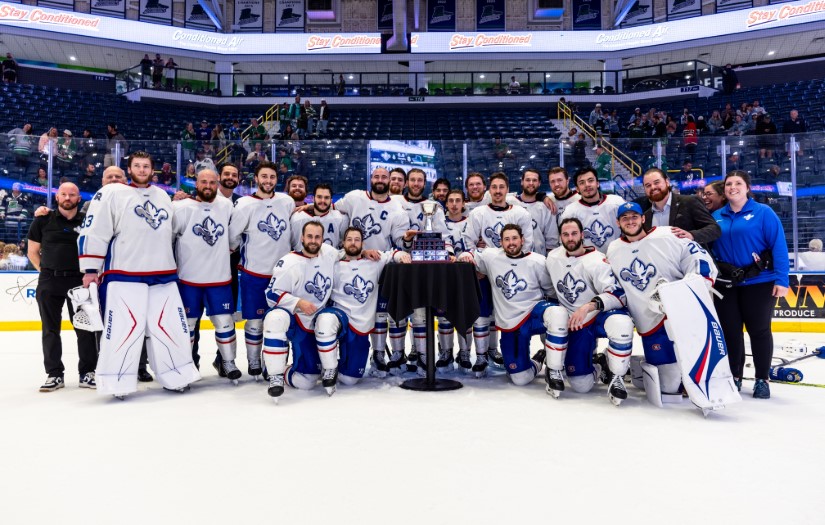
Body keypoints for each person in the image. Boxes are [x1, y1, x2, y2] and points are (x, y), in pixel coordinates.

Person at [78, 151, 200, 398]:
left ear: (152, 170)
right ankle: (117, 382)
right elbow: (95, 229)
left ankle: (176, 375)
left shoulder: (162, 196)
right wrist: (91, 269)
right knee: (124, 329)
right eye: (137, 166)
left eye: (146, 166)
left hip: (163, 273)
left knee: (171, 327)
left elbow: (173, 230)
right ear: (129, 168)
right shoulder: (112, 192)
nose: (142, 170)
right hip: (125, 272)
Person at [607, 202, 716, 404]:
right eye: (625, 218)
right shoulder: (613, 250)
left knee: (697, 369)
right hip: (649, 323)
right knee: (668, 389)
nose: (630, 221)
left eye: (634, 217)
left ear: (643, 219)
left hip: (679, 315)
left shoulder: (668, 235)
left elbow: (699, 258)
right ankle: (641, 365)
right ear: (618, 223)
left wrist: (689, 286)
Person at [711, 170, 789, 399]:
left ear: (747, 187)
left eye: (738, 183)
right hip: (727, 284)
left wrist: (782, 279)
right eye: (728, 184)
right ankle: (735, 376)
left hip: (759, 282)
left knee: (759, 330)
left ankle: (762, 379)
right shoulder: (716, 216)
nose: (732, 187)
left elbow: (779, 246)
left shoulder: (763, 213)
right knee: (731, 332)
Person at [544, 218, 633, 403]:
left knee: (621, 323)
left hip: (596, 315)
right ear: (560, 237)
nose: (570, 238)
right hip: (573, 323)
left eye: (574, 233)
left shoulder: (597, 260)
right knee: (581, 385)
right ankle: (599, 364)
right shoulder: (553, 257)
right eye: (566, 234)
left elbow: (618, 295)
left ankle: (617, 377)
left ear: (582, 235)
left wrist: (588, 306)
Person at [315, 227, 411, 395]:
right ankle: (328, 368)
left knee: (349, 379)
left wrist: (401, 255)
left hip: (360, 325)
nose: (353, 243)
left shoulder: (374, 262)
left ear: (363, 243)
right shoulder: (333, 263)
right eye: (349, 240)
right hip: (339, 316)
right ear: (343, 243)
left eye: (357, 240)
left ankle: (338, 365)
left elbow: (392, 253)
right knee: (326, 321)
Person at [333, 167, 410, 375]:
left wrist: (408, 243)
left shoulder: (397, 207)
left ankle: (379, 355)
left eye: (384, 177)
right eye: (376, 176)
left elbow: (400, 240)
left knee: (381, 313)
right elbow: (331, 209)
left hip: (380, 265)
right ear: (371, 178)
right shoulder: (354, 197)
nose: (380, 180)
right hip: (353, 262)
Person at [459, 224, 551, 387]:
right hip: (511, 324)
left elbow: (551, 291)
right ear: (500, 242)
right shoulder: (491, 257)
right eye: (507, 239)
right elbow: (469, 255)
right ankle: (538, 360)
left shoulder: (538, 261)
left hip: (534, 315)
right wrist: (466, 255)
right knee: (519, 377)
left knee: (556, 316)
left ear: (523, 240)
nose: (511, 243)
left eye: (515, 238)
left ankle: (556, 366)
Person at [27, 183, 98, 392]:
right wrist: (46, 271)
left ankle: (87, 372)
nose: (68, 197)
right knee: (50, 330)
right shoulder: (42, 220)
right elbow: (33, 251)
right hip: (50, 281)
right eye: (64, 194)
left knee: (84, 329)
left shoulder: (88, 222)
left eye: (72, 194)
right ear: (57, 197)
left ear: (78, 198)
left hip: (79, 281)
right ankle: (54, 374)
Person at [228, 161, 295, 380]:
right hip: (254, 275)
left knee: (280, 321)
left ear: (277, 179)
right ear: (256, 179)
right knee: (255, 322)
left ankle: (274, 363)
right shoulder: (245, 204)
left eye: (272, 177)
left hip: (282, 276)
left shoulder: (286, 201)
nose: (268, 181)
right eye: (264, 177)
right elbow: (233, 237)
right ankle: (254, 360)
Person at [171, 169, 239, 383]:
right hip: (189, 279)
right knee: (188, 325)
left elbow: (234, 235)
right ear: (196, 183)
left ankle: (228, 363)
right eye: (203, 182)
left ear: (217, 183)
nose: (208, 185)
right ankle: (187, 365)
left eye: (212, 182)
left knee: (225, 322)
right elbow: (168, 239)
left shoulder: (226, 206)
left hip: (219, 278)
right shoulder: (180, 208)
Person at [463, 173, 533, 376]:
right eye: (494, 187)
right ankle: (482, 354)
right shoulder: (478, 213)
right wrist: (478, 266)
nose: (497, 191)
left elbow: (527, 244)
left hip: (512, 272)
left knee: (501, 314)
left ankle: (496, 350)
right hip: (485, 271)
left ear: (507, 189)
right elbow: (468, 243)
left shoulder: (521, 214)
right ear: (489, 189)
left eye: (501, 187)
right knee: (483, 313)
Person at [260, 222, 340, 400]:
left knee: (307, 381)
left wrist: (366, 252)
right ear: (302, 238)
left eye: (317, 237)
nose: (313, 240)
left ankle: (291, 370)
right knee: (275, 318)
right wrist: (298, 302)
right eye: (309, 236)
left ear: (322, 239)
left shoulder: (328, 253)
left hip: (314, 322)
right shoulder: (288, 262)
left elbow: (349, 253)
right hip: (294, 318)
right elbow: (271, 294)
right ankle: (275, 374)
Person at [396, 168, 454, 373]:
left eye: (420, 180)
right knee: (411, 313)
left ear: (425, 183)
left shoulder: (435, 206)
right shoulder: (396, 203)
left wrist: (448, 253)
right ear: (407, 182)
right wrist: (407, 241)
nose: (416, 183)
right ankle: (409, 352)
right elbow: (395, 238)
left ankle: (433, 354)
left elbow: (443, 236)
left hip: (431, 267)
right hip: (405, 266)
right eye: (412, 179)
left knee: (431, 310)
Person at [639, 168, 720, 247]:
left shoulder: (690, 202)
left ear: (667, 182)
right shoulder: (646, 216)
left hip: (690, 259)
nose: (653, 187)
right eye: (648, 185)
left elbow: (715, 229)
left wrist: (692, 235)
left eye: (656, 182)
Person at [560, 166, 626, 253]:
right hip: (588, 262)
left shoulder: (617, 202)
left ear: (597, 183)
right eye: (582, 183)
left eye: (590, 180)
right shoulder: (570, 211)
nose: (587, 185)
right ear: (577, 189)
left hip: (617, 256)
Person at [290, 183, 347, 250]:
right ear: (313, 199)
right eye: (319, 197)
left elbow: (343, 244)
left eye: (326, 197)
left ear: (331, 201)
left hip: (330, 259)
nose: (323, 200)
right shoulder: (297, 218)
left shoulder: (340, 218)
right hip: (302, 259)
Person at [514, 168, 556, 255]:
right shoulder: (511, 202)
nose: (531, 183)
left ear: (539, 183)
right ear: (522, 182)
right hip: (513, 256)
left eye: (534, 180)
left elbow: (551, 240)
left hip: (538, 257)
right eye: (528, 180)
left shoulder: (546, 207)